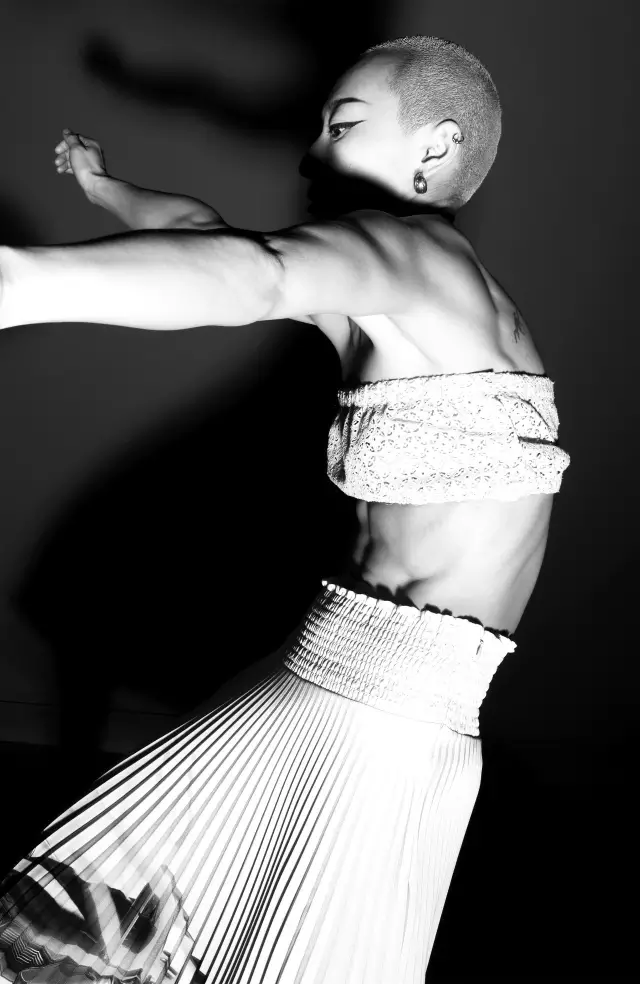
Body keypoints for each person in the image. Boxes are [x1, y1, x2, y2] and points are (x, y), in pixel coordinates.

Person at [0, 35, 570, 984]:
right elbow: (208, 237)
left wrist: (18, 283)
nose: (310, 153)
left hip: (382, 728)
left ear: (435, 148)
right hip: (331, 682)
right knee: (100, 937)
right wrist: (106, 190)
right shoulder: (395, 294)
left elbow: (257, 270)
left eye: (342, 127)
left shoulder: (420, 254)